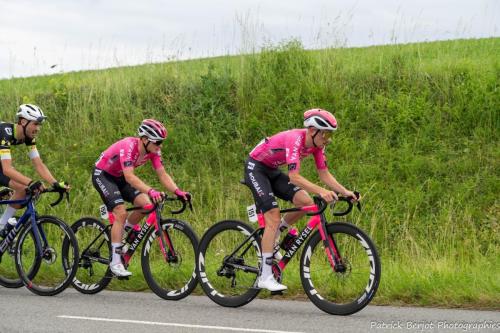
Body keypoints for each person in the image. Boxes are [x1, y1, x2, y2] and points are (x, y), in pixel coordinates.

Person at [243, 108, 360, 292]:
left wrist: (346, 192)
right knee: (272, 216)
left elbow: (324, 174)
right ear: (313, 131)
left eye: (330, 134)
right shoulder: (295, 139)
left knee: (305, 202)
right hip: (255, 168)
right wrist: (322, 191)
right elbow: (294, 177)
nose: (328, 139)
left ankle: (278, 232)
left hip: (271, 170)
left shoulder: (317, 145)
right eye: (326, 134)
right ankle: (265, 276)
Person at [92, 119, 191, 277]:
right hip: (103, 175)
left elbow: (162, 174)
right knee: (121, 213)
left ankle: (123, 233)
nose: (160, 146)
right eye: (157, 142)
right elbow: (130, 177)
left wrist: (178, 191)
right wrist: (151, 191)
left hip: (120, 177)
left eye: (161, 142)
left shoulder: (153, 151)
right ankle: (116, 262)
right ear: (144, 139)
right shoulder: (129, 146)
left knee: (146, 205)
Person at [0, 104, 69, 238]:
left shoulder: (29, 137)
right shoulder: (4, 132)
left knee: (22, 189)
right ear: (23, 122)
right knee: (24, 184)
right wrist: (32, 182)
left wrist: (55, 183)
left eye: (39, 125)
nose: (37, 128)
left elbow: (38, 164)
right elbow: (7, 169)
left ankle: (2, 226)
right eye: (35, 124)